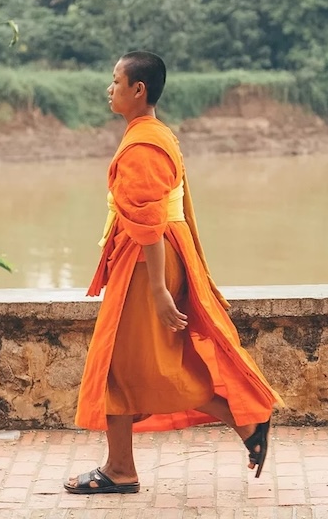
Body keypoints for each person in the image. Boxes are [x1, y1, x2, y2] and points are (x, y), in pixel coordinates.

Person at [65, 51, 280, 495]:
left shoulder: (144, 144)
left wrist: (161, 290)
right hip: (147, 262)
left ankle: (124, 469)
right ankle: (125, 465)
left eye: (116, 81)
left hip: (148, 266)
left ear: (137, 90)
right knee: (133, 366)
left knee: (127, 368)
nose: (110, 89)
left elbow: (150, 224)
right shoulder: (154, 134)